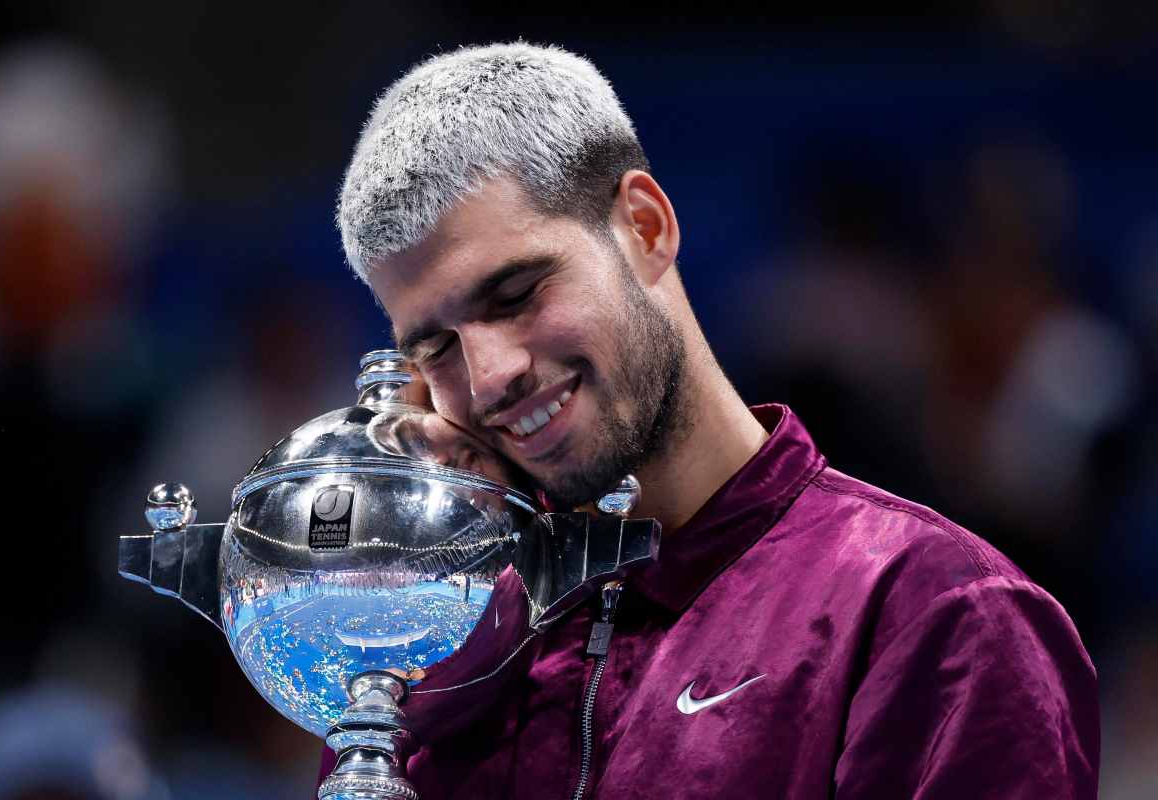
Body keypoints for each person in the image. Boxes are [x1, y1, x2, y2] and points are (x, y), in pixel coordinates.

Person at [325, 42, 1099, 798]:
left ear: (645, 228)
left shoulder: (933, 617)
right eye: (435, 347)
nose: (490, 376)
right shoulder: (427, 662)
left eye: (516, 294)